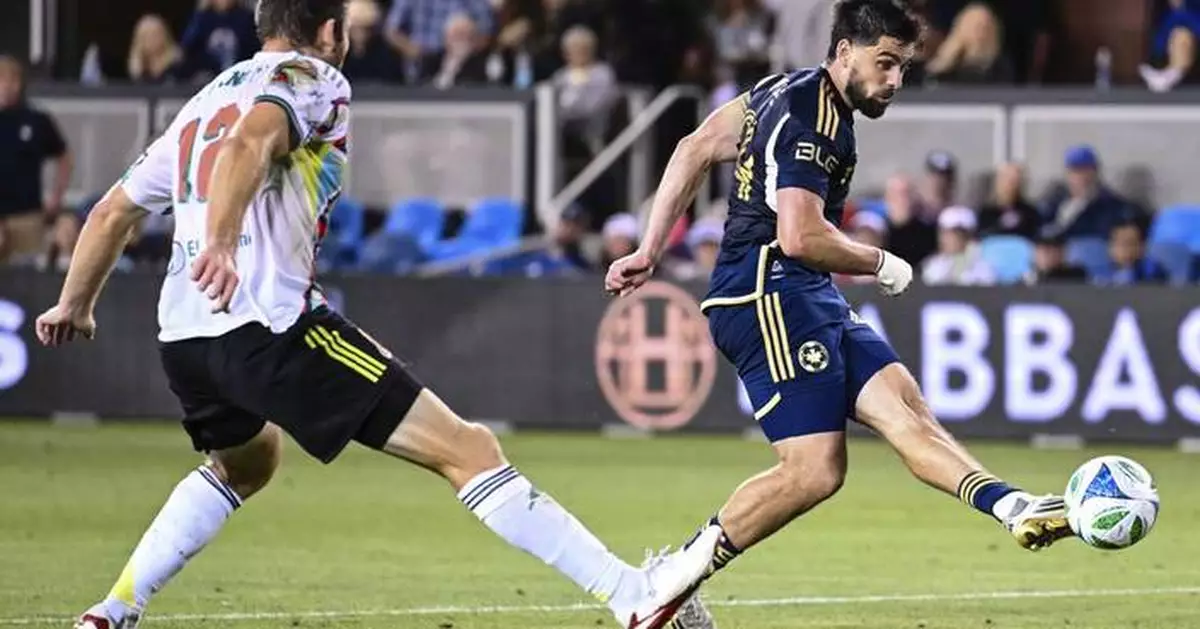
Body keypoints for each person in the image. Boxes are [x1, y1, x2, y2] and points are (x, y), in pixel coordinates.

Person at [35, 3, 711, 629]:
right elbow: (250, 144)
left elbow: (111, 212)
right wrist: (220, 239)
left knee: (247, 461)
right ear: (331, 30)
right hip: (269, 326)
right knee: (468, 449)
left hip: (185, 338)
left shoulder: (201, 102)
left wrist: (75, 301)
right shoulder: (315, 77)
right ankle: (633, 596)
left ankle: (111, 610)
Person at [604, 0, 1072, 620]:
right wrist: (881, 262)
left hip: (803, 289)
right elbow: (799, 236)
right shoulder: (813, 118)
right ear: (845, 49)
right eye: (885, 63)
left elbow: (694, 147)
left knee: (902, 400)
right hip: (765, 290)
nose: (895, 81)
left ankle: (1013, 507)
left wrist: (651, 246)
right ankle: (666, 584)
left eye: (903, 67)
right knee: (815, 469)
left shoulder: (780, 90)